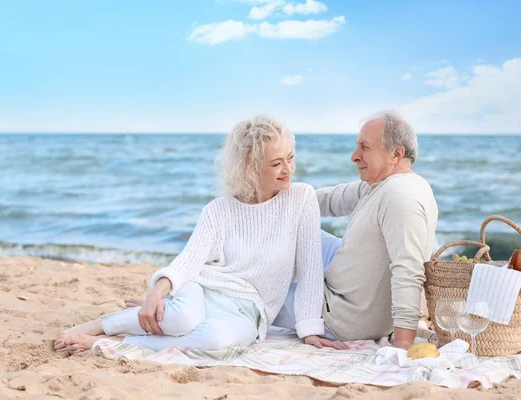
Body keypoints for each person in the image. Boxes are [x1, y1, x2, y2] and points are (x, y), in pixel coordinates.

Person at [54, 115, 348, 353]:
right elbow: (190, 260)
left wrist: (310, 331)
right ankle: (100, 326)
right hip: (204, 287)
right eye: (276, 163)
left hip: (251, 309)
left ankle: (119, 343)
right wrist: (156, 291)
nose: (289, 169)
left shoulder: (301, 198)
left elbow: (310, 269)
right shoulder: (219, 209)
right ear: (250, 166)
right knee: (180, 318)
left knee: (216, 342)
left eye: (290, 158)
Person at [273, 110, 438, 350]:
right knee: (295, 227)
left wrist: (403, 344)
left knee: (256, 292)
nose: (354, 156)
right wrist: (270, 198)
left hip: (343, 317)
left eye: (365, 147)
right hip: (348, 287)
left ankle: (234, 275)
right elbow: (330, 199)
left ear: (396, 154)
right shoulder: (382, 184)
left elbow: (409, 271)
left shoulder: (400, 197)